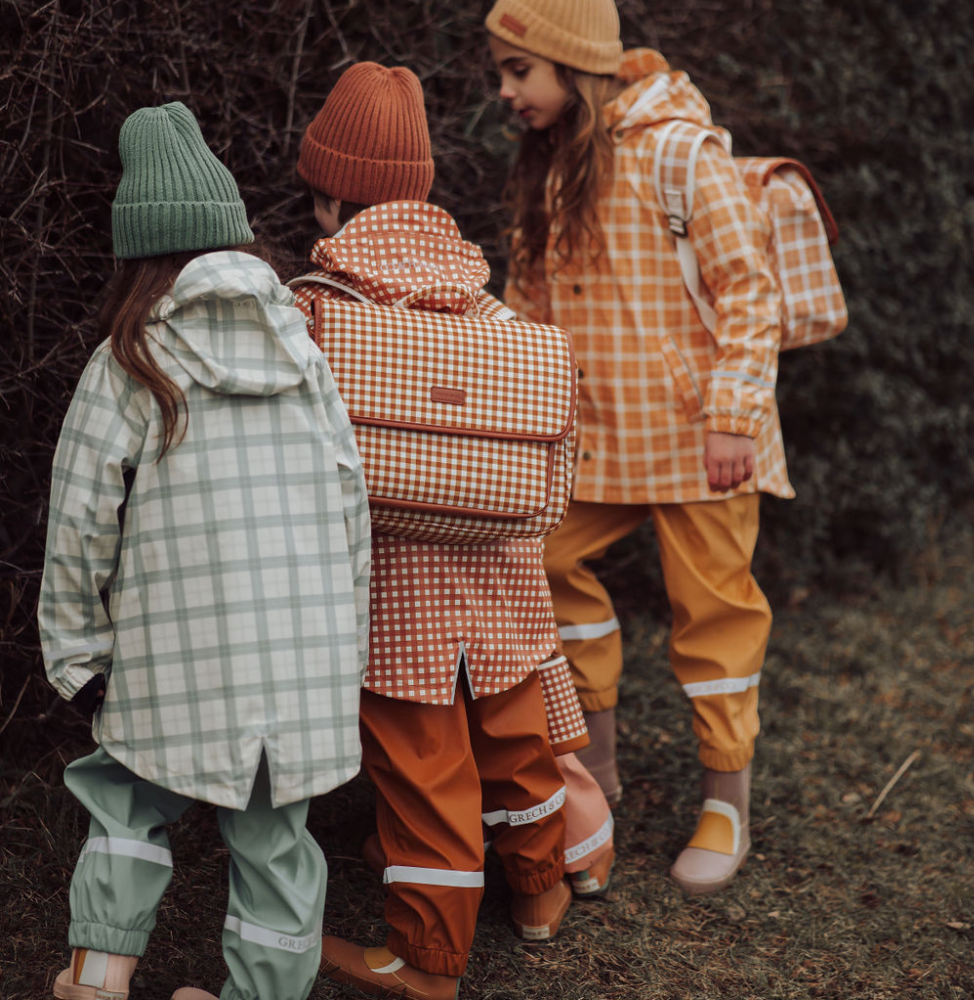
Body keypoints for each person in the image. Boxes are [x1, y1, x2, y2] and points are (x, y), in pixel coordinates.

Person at [290, 62, 613, 1000]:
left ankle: (427, 959)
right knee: (516, 746)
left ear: (328, 193)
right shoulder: (487, 307)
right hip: (506, 575)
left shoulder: (320, 309)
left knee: (424, 768)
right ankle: (541, 895)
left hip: (398, 596)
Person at [37, 101, 371, 1000]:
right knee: (274, 836)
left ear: (137, 250)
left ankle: (99, 978)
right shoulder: (304, 352)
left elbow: (79, 519)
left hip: (176, 647)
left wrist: (78, 654)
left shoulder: (133, 356)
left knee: (125, 796)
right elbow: (351, 505)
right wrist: (348, 648)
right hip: (302, 652)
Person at [484, 0, 794, 896]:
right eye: (500, 73)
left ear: (571, 64)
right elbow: (531, 310)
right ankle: (597, 765)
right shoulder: (551, 171)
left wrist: (734, 415)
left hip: (703, 441)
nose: (505, 91)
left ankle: (725, 801)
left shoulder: (680, 152)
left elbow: (749, 291)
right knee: (538, 558)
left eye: (518, 70)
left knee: (715, 612)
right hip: (598, 442)